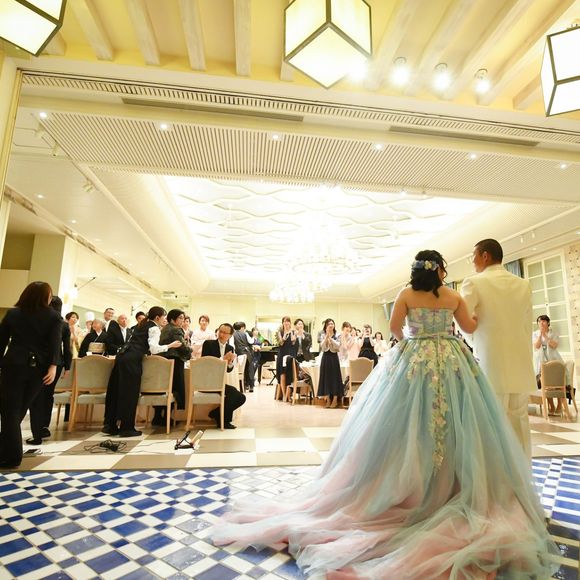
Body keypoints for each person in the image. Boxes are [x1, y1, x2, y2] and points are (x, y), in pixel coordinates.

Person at [210, 250, 559, 578]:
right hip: (452, 361)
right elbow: (468, 327)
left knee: (405, 421)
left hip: (415, 359)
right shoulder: (453, 297)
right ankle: (451, 484)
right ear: (440, 271)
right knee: (458, 422)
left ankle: (406, 483)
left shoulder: (406, 294)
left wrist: (413, 338)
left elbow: (394, 328)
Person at [461, 238, 536, 456]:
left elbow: (463, 320)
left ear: (485, 256)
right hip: (520, 365)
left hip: (490, 364)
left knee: (492, 427)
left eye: (474, 256)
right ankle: (522, 474)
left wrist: (474, 339)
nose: (472, 261)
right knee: (520, 426)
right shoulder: (523, 284)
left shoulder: (473, 283)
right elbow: (527, 325)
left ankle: (497, 476)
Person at [0, 281, 62, 468]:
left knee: (11, 411)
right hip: (39, 369)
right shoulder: (53, 316)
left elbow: (1, 341)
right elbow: (55, 343)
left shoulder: (13, 314)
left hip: (14, 365)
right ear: (46, 297)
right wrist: (53, 366)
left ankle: (10, 455)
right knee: (19, 410)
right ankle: (9, 453)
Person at [102, 306, 181, 437]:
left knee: (116, 391)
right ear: (157, 317)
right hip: (132, 360)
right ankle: (127, 428)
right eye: (164, 317)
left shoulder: (142, 325)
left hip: (122, 356)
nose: (165, 320)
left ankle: (110, 425)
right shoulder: (154, 328)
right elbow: (154, 349)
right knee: (129, 393)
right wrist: (170, 346)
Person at [27, 296, 72, 445]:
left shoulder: (42, 321)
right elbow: (67, 348)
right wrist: (67, 366)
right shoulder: (64, 325)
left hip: (41, 362)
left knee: (37, 395)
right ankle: (45, 426)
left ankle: (38, 429)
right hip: (57, 363)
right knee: (49, 394)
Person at [201, 324, 247, 429]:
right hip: (207, 382)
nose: (221, 334)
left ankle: (216, 413)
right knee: (234, 394)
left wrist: (230, 363)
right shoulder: (208, 344)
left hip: (219, 382)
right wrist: (223, 359)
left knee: (240, 397)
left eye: (225, 333)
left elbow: (228, 370)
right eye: (220, 331)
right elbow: (206, 363)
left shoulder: (230, 348)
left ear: (230, 335)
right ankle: (224, 421)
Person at [155, 309, 192, 426]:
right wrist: (191, 350)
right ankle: (167, 417)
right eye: (180, 318)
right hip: (174, 361)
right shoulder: (176, 329)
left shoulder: (165, 328)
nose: (182, 320)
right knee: (175, 389)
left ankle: (157, 416)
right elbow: (182, 347)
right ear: (172, 319)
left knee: (164, 388)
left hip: (163, 362)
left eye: (183, 318)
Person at [533, 314, 565, 414]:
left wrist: (545, 336)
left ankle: (559, 405)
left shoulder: (553, 333)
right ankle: (551, 405)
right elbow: (536, 346)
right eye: (539, 321)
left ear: (548, 323)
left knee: (558, 382)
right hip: (541, 361)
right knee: (545, 383)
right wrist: (540, 335)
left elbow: (554, 345)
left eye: (543, 321)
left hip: (554, 360)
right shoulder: (535, 334)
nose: (541, 323)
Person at [318, 318, 342, 408]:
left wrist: (331, 339)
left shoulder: (338, 335)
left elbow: (338, 346)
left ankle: (335, 400)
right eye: (329, 324)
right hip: (326, 358)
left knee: (335, 378)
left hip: (334, 357)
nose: (331, 325)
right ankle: (328, 399)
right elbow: (322, 347)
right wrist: (326, 337)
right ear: (326, 326)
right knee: (326, 378)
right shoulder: (322, 335)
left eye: (332, 323)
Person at [276, 316, 298, 393]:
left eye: (288, 321)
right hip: (282, 354)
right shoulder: (280, 332)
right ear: (282, 323)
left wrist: (292, 334)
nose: (286, 323)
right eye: (285, 321)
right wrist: (284, 337)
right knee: (282, 374)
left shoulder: (294, 332)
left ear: (290, 323)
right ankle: (284, 394)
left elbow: (293, 342)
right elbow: (281, 343)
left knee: (290, 373)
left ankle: (289, 394)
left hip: (291, 354)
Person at [233, 322, 255, 393]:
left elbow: (232, 345)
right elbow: (251, 342)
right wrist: (254, 337)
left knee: (241, 370)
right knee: (250, 369)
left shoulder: (233, 335)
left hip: (238, 354)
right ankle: (251, 386)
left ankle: (244, 385)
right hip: (246, 353)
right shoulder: (245, 333)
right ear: (242, 327)